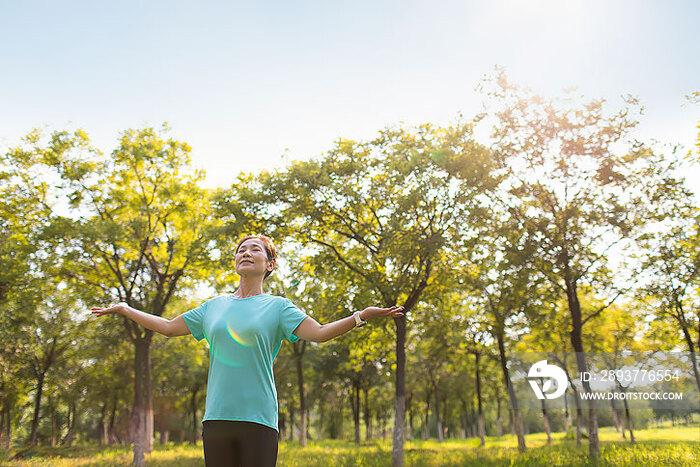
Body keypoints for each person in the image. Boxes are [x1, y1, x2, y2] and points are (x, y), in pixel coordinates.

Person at [91, 234, 404, 467]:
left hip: (259, 419)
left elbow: (320, 333)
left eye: (256, 249)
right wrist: (127, 310)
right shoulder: (213, 306)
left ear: (269, 265)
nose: (246, 252)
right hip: (216, 418)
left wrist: (361, 316)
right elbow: (169, 327)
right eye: (241, 249)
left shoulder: (279, 307)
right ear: (236, 262)